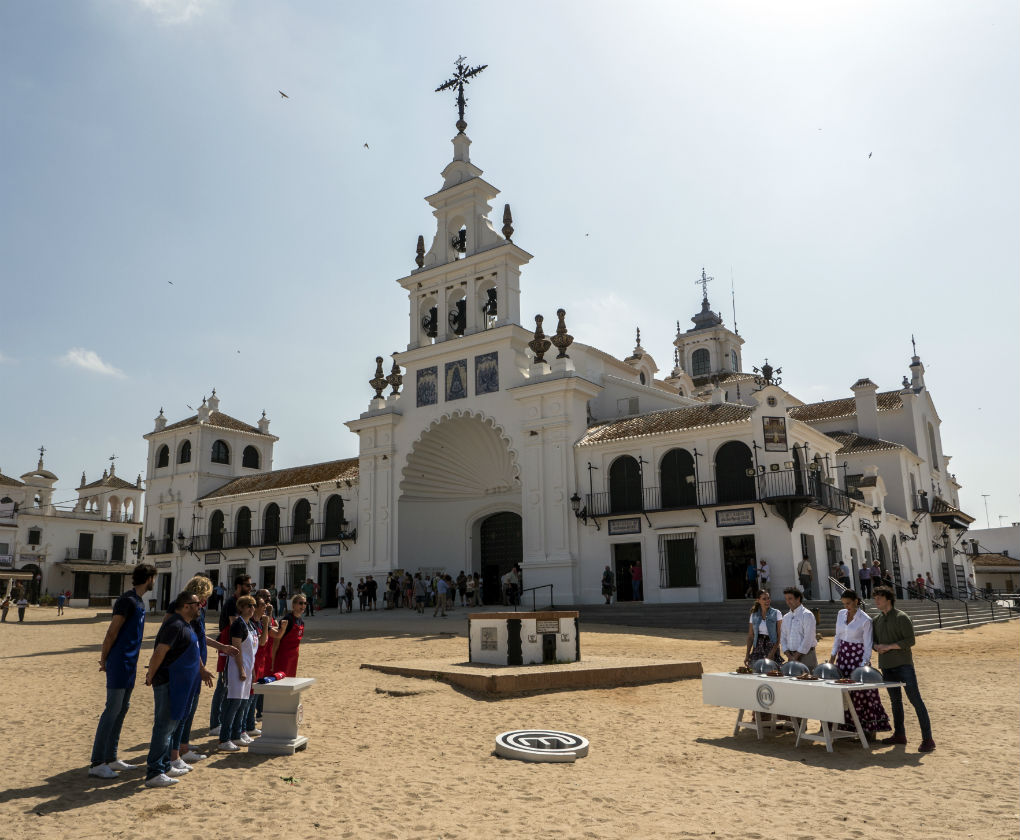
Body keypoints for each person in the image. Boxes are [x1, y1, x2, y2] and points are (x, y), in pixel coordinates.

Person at [88, 563, 156, 779]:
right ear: (149, 578)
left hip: (130, 663)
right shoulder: (127, 601)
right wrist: (104, 658)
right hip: (119, 661)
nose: (155, 581)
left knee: (122, 708)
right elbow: (112, 631)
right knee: (112, 710)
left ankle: (111, 757)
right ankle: (97, 762)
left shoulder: (138, 601)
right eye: (154, 578)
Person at [143, 591, 214, 787]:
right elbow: (159, 652)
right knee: (163, 727)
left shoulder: (186, 625)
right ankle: (154, 771)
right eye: (196, 603)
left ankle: (165, 765)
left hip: (180, 684)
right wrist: (151, 675)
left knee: (171, 726)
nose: (200, 606)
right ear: (185, 606)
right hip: (167, 682)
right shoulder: (174, 625)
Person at [169, 575, 236, 771]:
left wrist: (221, 646)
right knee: (185, 709)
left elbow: (200, 637)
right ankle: (180, 749)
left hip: (197, 664)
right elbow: (191, 641)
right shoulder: (186, 609)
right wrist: (201, 667)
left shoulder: (199, 610)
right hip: (191, 666)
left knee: (190, 708)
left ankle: (184, 744)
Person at [872, 585, 935, 752]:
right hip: (886, 665)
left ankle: (928, 739)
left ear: (888, 599)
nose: (876, 600)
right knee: (895, 702)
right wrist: (877, 647)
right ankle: (900, 734)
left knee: (915, 700)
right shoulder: (876, 620)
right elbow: (874, 642)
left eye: (879, 597)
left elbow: (910, 641)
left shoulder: (902, 617)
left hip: (903, 665)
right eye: (875, 597)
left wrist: (889, 646)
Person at [829, 589, 890, 735]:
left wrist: (864, 665)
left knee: (862, 693)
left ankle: (868, 731)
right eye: (844, 604)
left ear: (856, 601)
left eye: (848, 603)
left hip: (857, 658)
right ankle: (845, 729)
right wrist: (832, 657)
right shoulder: (840, 614)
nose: (846, 607)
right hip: (843, 658)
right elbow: (838, 636)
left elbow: (867, 644)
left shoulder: (865, 620)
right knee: (842, 693)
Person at [210, 573, 252, 735]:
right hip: (227, 647)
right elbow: (235, 624)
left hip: (235, 647)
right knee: (222, 686)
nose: (250, 588)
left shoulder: (240, 602)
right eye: (248, 585)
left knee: (229, 686)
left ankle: (224, 720)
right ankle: (215, 723)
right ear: (239, 586)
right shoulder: (231, 603)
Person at [219, 595, 262, 752]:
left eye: (253, 605)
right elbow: (236, 649)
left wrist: (251, 671)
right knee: (233, 703)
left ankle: (237, 734)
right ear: (241, 608)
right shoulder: (238, 625)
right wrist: (242, 670)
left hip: (248, 668)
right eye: (248, 606)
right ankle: (224, 738)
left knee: (243, 703)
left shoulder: (250, 625)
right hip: (237, 668)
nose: (251, 609)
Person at [779, 586, 817, 668]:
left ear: (798, 598)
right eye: (786, 599)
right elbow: (783, 637)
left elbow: (808, 638)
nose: (788, 602)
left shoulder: (807, 615)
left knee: (807, 679)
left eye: (790, 599)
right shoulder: (786, 617)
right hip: (791, 656)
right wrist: (789, 656)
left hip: (806, 656)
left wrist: (795, 656)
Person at [744, 589, 782, 667]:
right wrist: (747, 654)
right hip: (757, 647)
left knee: (771, 673)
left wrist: (772, 653)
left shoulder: (777, 613)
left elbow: (779, 635)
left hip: (772, 647)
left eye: (768, 598)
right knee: (755, 671)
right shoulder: (753, 615)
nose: (767, 601)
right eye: (764, 599)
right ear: (758, 600)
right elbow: (751, 636)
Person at [272, 593, 307, 677]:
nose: (303, 605)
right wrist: (273, 660)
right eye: (300, 603)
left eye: (305, 603)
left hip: (294, 656)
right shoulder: (288, 619)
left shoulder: (301, 621)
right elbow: (277, 639)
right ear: (293, 605)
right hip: (284, 656)